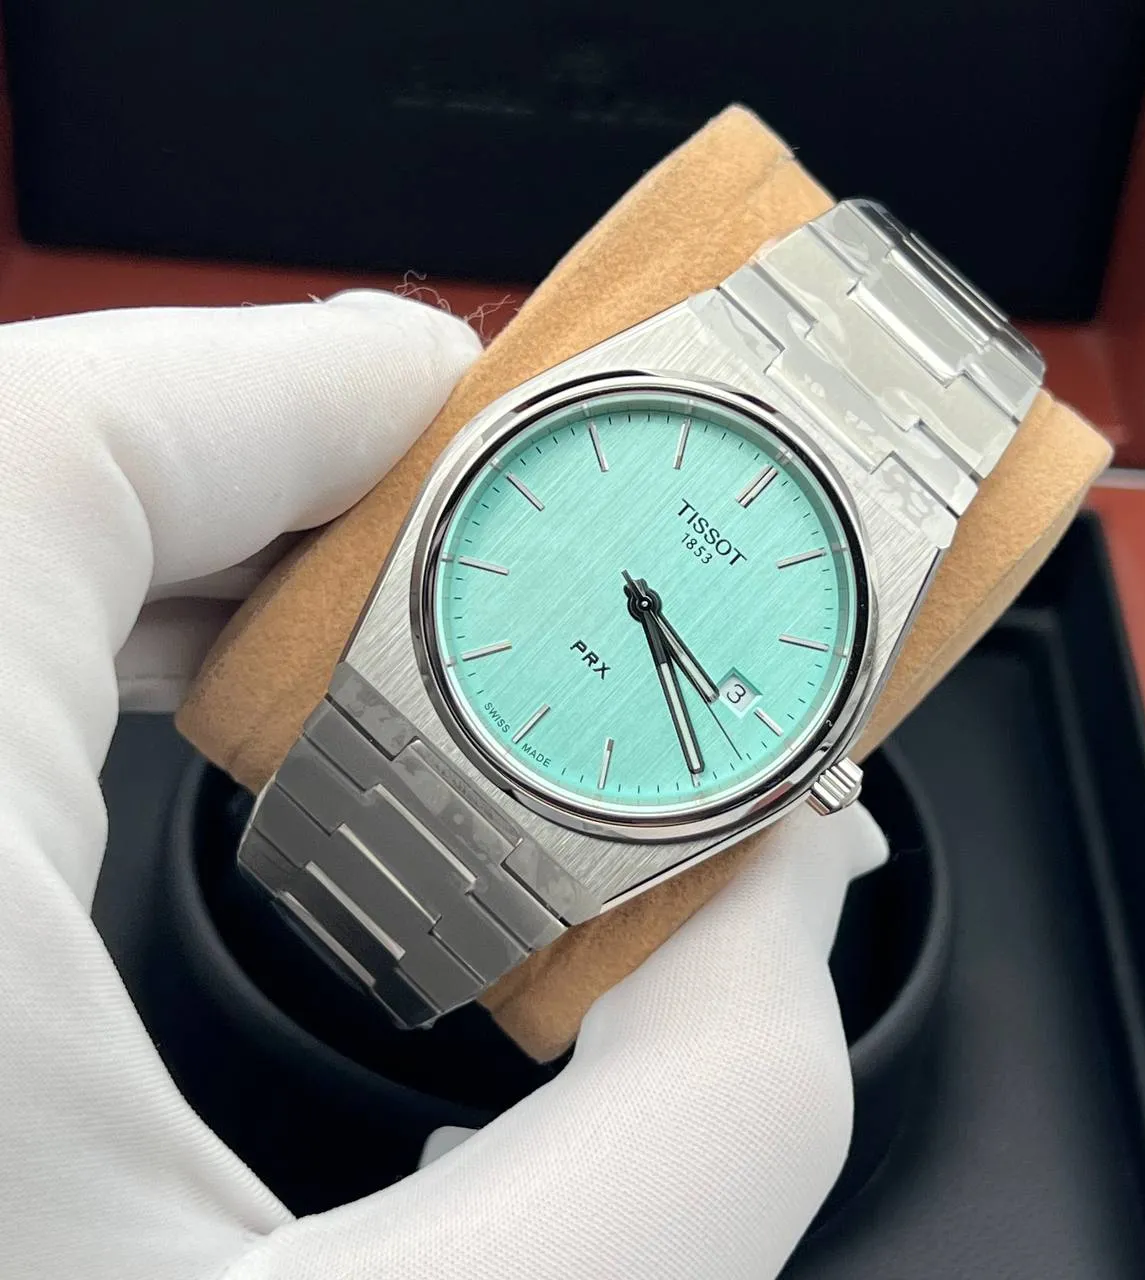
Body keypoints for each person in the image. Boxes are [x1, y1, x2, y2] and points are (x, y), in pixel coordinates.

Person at [0, 291, 886, 1280]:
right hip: (399, 698)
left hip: (545, 840)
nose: (644, 601)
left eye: (648, 602)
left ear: (817, 766)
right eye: (643, 594)